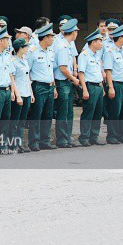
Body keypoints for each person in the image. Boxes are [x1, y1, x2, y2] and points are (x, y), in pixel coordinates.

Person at [27, 23, 57, 151]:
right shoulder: (32, 51)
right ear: (44, 38)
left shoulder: (51, 51)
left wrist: (54, 86)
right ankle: (34, 142)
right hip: (38, 86)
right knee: (36, 115)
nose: (53, 39)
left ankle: (45, 141)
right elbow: (27, 72)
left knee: (48, 115)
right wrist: (30, 90)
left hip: (49, 86)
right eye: (51, 37)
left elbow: (51, 71)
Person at [53, 19, 80, 148]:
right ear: (73, 32)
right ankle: (62, 139)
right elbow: (63, 68)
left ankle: (67, 138)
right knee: (63, 112)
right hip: (63, 82)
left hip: (67, 82)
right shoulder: (63, 46)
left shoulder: (68, 45)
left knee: (69, 112)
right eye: (76, 31)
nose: (77, 33)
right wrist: (74, 79)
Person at [103, 24, 123, 144]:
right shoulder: (110, 52)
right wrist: (111, 87)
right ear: (120, 37)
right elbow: (108, 70)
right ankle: (112, 135)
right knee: (115, 111)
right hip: (115, 84)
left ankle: (120, 134)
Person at [77, 29, 106, 146]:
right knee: (88, 112)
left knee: (98, 113)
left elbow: (98, 73)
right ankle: (84, 137)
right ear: (93, 42)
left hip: (98, 86)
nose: (101, 43)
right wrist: (84, 89)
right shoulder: (84, 55)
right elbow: (81, 73)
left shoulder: (97, 55)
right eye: (100, 41)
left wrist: (102, 87)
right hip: (90, 86)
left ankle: (94, 136)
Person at [11, 37, 33, 153]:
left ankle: (20, 143)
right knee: (15, 120)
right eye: (26, 47)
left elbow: (27, 78)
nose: (28, 48)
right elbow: (12, 80)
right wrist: (17, 95)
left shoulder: (25, 59)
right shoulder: (13, 61)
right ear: (20, 48)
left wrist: (31, 93)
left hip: (26, 92)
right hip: (19, 93)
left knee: (22, 121)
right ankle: (14, 143)